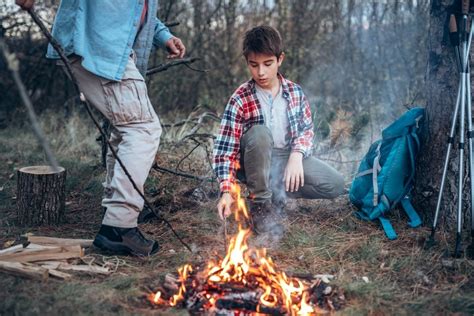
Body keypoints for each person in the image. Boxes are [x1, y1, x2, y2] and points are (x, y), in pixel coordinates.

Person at [16, 0, 186, 256]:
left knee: (127, 127)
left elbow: (135, 11)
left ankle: (116, 209)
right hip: (93, 48)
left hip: (109, 50)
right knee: (142, 128)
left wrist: (163, 36)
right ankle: (118, 227)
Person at [213, 25, 344, 233]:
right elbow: (225, 151)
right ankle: (261, 205)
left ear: (280, 59)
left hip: (286, 157)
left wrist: (296, 156)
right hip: (253, 160)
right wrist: (227, 191)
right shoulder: (240, 98)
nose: (261, 72)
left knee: (334, 184)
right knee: (260, 133)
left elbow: (306, 130)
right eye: (254, 65)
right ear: (247, 62)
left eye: (268, 64)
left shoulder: (294, 92)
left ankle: (276, 193)